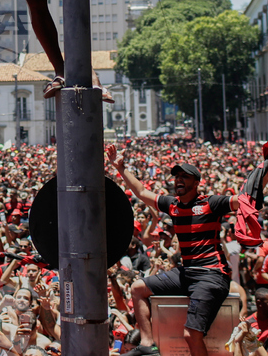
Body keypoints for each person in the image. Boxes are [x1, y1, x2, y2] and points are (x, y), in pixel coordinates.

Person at [107, 146, 252, 356]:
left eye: (185, 176)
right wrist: (120, 168)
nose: (179, 180)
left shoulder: (211, 203)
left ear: (196, 182)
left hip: (211, 275)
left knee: (191, 334)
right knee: (138, 288)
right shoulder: (172, 205)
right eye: (177, 176)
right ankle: (148, 344)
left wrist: (261, 181)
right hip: (187, 273)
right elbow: (141, 192)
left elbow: (243, 201)